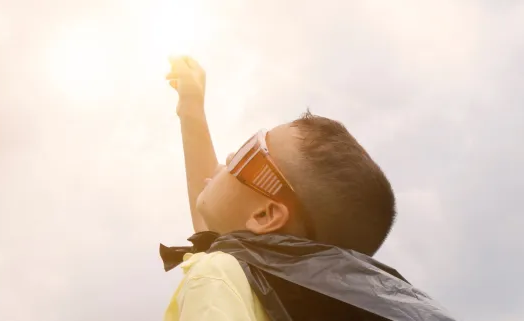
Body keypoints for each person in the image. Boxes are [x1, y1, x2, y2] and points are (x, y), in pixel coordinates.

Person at [161, 56, 455, 321]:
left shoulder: (217, 276)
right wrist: (191, 107)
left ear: (265, 215)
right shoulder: (278, 295)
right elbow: (214, 223)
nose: (228, 158)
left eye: (247, 152)